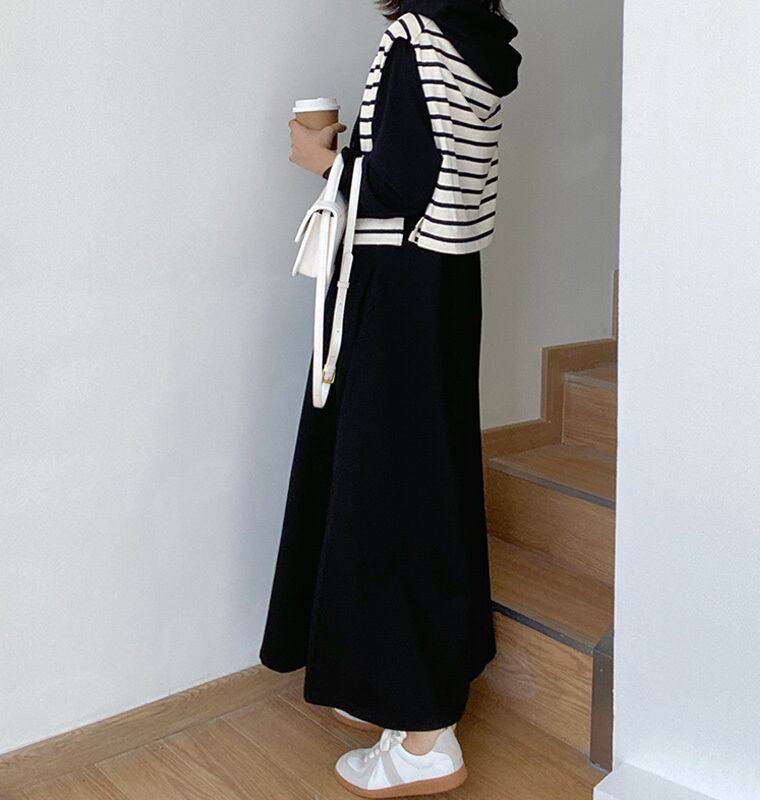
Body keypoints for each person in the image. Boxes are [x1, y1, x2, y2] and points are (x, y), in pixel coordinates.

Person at [260, 1, 521, 796]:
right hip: (442, 285)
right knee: (426, 480)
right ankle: (397, 678)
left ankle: (423, 738)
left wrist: (319, 159)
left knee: (390, 494)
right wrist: (356, 154)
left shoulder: (412, 39)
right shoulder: (475, 40)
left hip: (398, 289)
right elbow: (434, 172)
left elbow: (399, 187)